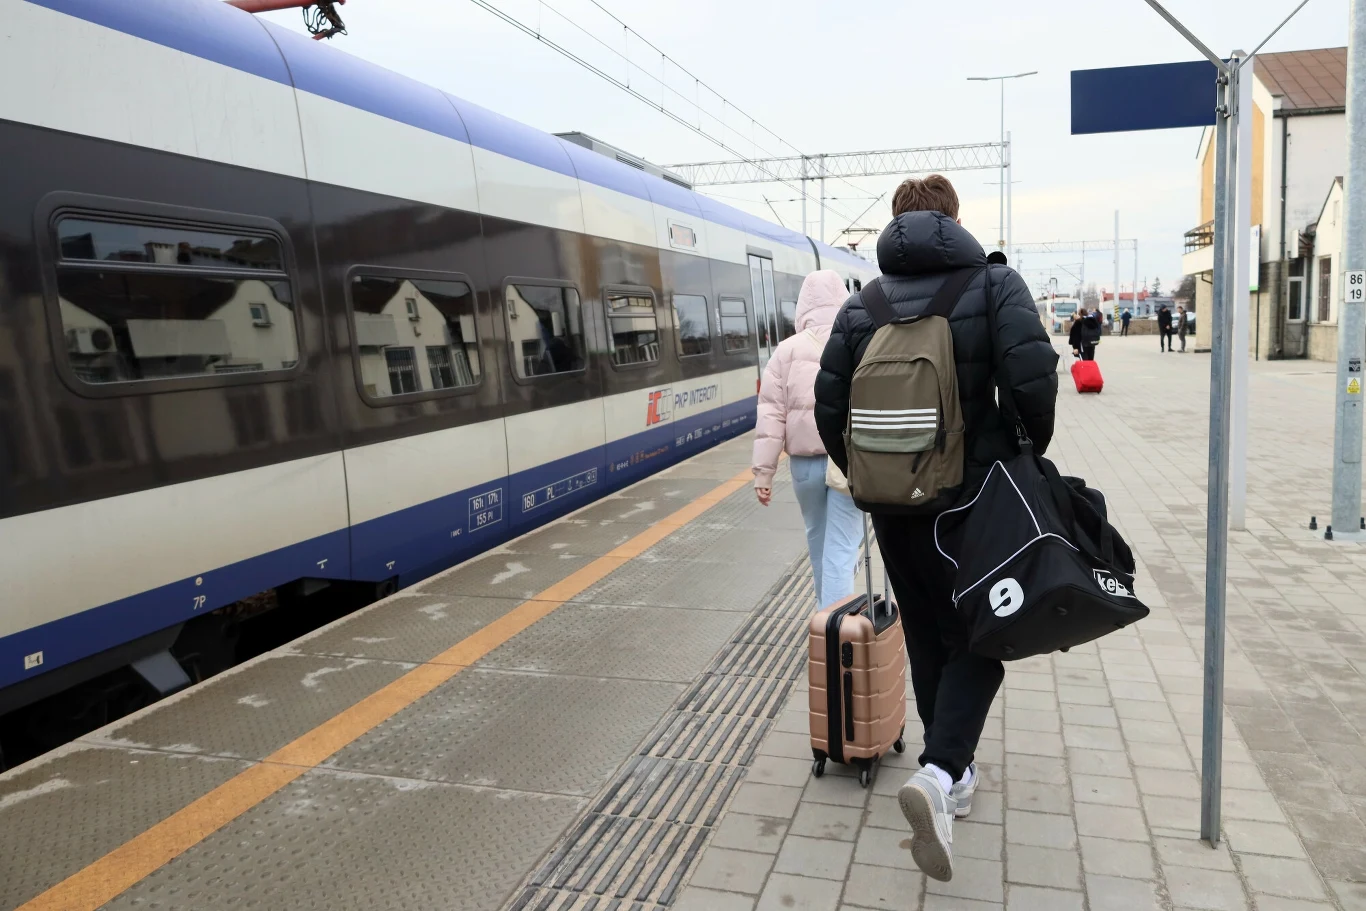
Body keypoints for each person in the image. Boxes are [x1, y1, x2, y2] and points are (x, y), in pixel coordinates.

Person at [814, 175, 1057, 881]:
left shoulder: (863, 306)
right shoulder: (993, 286)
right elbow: (1033, 378)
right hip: (972, 499)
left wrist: (875, 477)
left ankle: (952, 768)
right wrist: (1020, 451)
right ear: (953, 221)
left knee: (925, 630)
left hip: (894, 507)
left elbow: (831, 410)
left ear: (896, 223)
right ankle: (943, 770)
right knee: (985, 630)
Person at [752, 270, 862, 608]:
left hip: (804, 467)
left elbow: (771, 415)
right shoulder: (856, 342)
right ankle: (836, 629)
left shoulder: (785, 352)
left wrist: (763, 473)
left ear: (802, 308)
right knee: (841, 547)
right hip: (845, 462)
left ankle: (823, 617)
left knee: (819, 541)